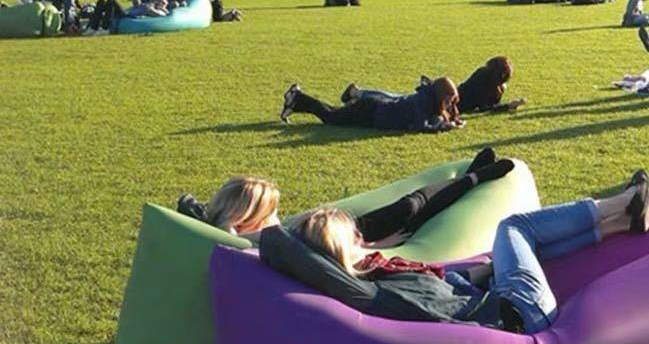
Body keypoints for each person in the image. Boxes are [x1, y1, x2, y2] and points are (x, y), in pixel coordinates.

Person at [290, 171, 649, 335]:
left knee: (517, 252)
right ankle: (624, 201)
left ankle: (622, 223)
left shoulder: (377, 281)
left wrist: (485, 269)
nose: (362, 238)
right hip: (518, 311)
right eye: (354, 235)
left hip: (507, 307)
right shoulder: (379, 289)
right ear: (342, 247)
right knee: (513, 228)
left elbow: (443, 294)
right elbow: (440, 302)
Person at [181, 151, 515, 252]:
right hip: (351, 238)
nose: (277, 218)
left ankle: (468, 176)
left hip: (339, 229)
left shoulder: (239, 233)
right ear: (248, 216)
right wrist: (375, 249)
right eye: (272, 212)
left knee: (411, 205)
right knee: (412, 209)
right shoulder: (250, 243)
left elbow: (188, 204)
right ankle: (474, 178)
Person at [342, 56, 526, 116]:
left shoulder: (485, 77)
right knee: (395, 99)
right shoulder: (483, 81)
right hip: (441, 102)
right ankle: (358, 94)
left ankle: (358, 94)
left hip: (444, 99)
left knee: (397, 98)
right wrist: (507, 106)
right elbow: (484, 107)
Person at [280, 77, 464, 132]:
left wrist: (449, 120)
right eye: (448, 99)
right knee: (331, 117)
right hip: (372, 111)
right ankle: (297, 98)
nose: (449, 104)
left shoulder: (428, 97)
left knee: (335, 113)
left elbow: (433, 117)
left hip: (375, 110)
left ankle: (296, 101)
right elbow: (420, 125)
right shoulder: (423, 101)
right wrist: (446, 126)